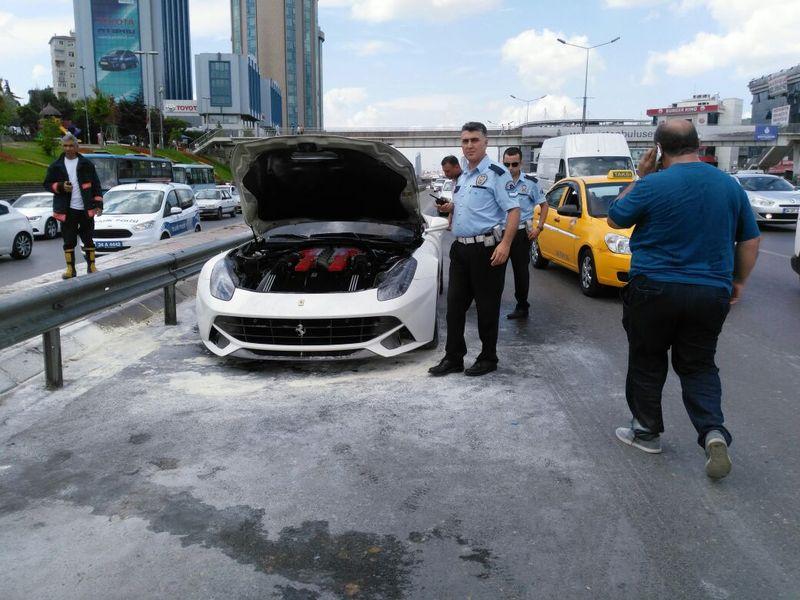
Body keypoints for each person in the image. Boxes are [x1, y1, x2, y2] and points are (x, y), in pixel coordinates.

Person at [607, 120, 760, 480]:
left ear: (659, 149)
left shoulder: (652, 184)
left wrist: (640, 176)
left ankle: (646, 432)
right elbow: (750, 241)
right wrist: (738, 282)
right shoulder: (729, 186)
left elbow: (615, 217)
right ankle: (712, 432)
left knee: (647, 360)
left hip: (654, 289)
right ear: (699, 144)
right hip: (710, 291)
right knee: (699, 365)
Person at [429, 122, 520, 377]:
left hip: (487, 250)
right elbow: (471, 208)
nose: (469, 145)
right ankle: (454, 358)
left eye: (474, 140)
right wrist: (451, 210)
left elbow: (514, 210)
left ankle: (488, 357)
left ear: (486, 142)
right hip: (460, 249)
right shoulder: (463, 176)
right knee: (454, 307)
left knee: (487, 308)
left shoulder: (497, 173)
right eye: (465, 141)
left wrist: (506, 244)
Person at [43, 133, 104, 279]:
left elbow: (96, 185)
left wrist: (98, 205)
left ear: (76, 147)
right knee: (68, 241)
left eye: (71, 145)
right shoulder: (56, 166)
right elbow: (46, 184)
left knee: (88, 239)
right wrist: (60, 186)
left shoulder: (86, 164)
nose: (68, 148)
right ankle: (71, 270)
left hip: (85, 209)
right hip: (67, 210)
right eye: (65, 146)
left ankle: (92, 266)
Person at [502, 146, 548, 319]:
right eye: (507, 164)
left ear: (520, 163)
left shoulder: (531, 183)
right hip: (500, 233)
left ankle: (522, 306)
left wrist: (539, 228)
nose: (510, 168)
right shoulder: (497, 180)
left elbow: (544, 206)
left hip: (521, 234)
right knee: (494, 271)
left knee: (520, 272)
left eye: (514, 164)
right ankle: (489, 303)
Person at [438, 155, 462, 221]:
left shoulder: (467, 181)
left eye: (448, 171)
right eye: (444, 171)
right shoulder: (454, 181)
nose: (445, 174)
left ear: (457, 167)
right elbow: (456, 202)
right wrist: (450, 216)